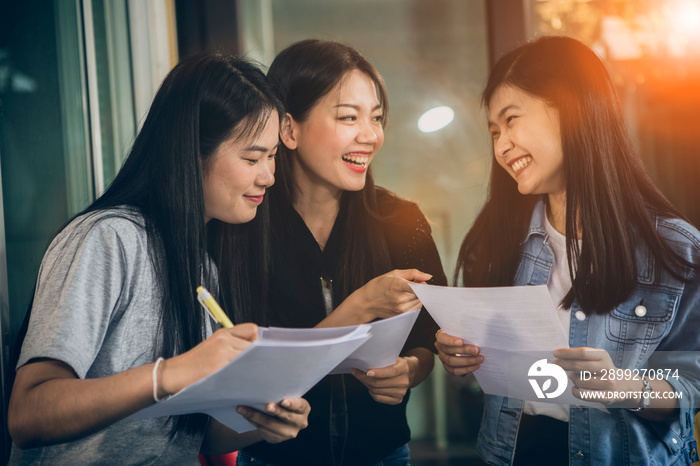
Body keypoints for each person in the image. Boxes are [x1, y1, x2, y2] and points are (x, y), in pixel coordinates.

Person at [7, 52, 310, 464]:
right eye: (252, 158)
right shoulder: (108, 238)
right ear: (191, 152)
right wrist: (171, 373)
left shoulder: (202, 267)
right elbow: (29, 414)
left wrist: (264, 423)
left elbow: (193, 436)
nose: (269, 176)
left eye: (273, 156)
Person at [435, 35, 700, 465]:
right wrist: (461, 357)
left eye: (512, 120)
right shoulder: (499, 239)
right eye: (494, 131)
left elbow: (692, 376)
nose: (501, 146)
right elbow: (489, 370)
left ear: (570, 110)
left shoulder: (676, 248)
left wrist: (624, 387)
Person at [226, 39, 447, 466]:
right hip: (273, 459)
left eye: (377, 118)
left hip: (384, 454)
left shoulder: (401, 219)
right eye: (349, 117)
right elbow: (251, 371)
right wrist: (363, 305)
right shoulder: (242, 225)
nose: (370, 135)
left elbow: (428, 342)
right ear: (288, 130)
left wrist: (409, 371)